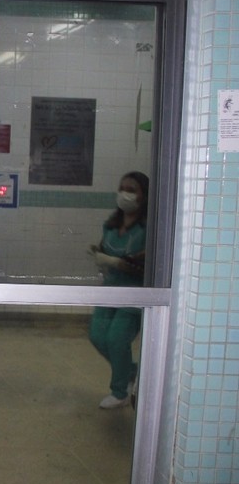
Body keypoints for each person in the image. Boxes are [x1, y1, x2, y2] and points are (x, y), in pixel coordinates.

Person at [88, 171, 148, 409]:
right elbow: (103, 250)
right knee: (98, 336)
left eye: (132, 190)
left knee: (116, 339)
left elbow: (147, 263)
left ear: (144, 195)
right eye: (122, 188)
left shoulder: (148, 230)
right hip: (110, 289)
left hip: (135, 292)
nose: (125, 194)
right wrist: (101, 257)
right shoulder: (111, 226)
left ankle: (120, 391)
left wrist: (128, 263)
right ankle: (132, 372)